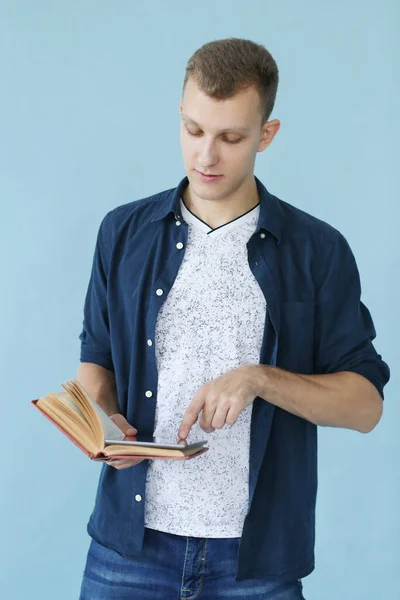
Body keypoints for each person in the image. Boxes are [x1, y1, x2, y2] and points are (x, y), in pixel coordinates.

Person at [77, 38, 390, 600]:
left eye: (230, 138)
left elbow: (366, 406)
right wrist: (102, 427)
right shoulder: (122, 233)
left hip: (256, 564)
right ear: (179, 115)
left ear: (266, 135)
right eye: (194, 131)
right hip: (129, 552)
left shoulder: (316, 250)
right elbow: (95, 363)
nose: (205, 157)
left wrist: (260, 378)